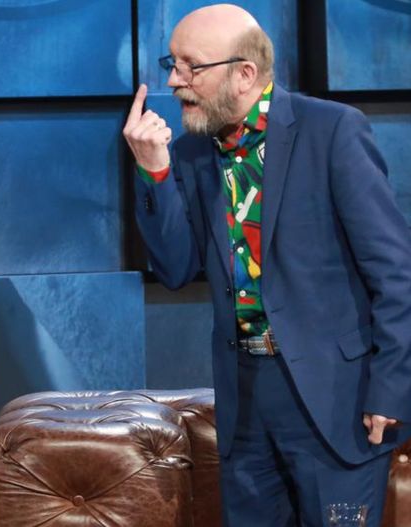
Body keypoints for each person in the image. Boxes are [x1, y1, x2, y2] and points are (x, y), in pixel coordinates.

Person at [123, 4, 411, 526]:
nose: (174, 81)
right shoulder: (190, 154)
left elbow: (396, 273)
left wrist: (391, 388)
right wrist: (155, 172)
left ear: (244, 73)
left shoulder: (331, 131)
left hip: (335, 399)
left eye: (191, 66)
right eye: (173, 63)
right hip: (245, 399)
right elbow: (175, 269)